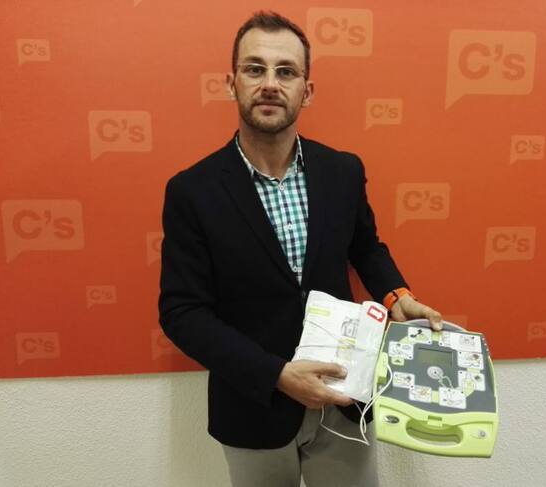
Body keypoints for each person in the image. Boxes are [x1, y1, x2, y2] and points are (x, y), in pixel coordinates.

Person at [158, 10, 443, 487]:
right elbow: (181, 312)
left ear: (306, 91)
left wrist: (397, 295)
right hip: (252, 407)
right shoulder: (192, 191)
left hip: (345, 399)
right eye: (255, 69)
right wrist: (276, 374)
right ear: (231, 83)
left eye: (286, 71)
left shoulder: (343, 171)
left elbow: (366, 248)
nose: (270, 84)